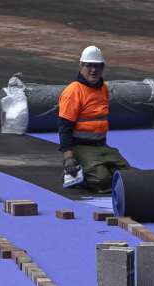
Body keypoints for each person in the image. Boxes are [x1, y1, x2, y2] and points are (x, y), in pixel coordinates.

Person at [58, 45, 131, 193]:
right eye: (89, 65)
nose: (93, 70)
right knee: (101, 180)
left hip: (101, 145)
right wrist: (68, 157)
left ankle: (95, 168)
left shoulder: (103, 88)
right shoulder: (73, 91)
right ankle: (73, 176)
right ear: (81, 66)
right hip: (81, 147)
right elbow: (64, 126)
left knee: (128, 176)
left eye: (97, 66)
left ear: (102, 67)